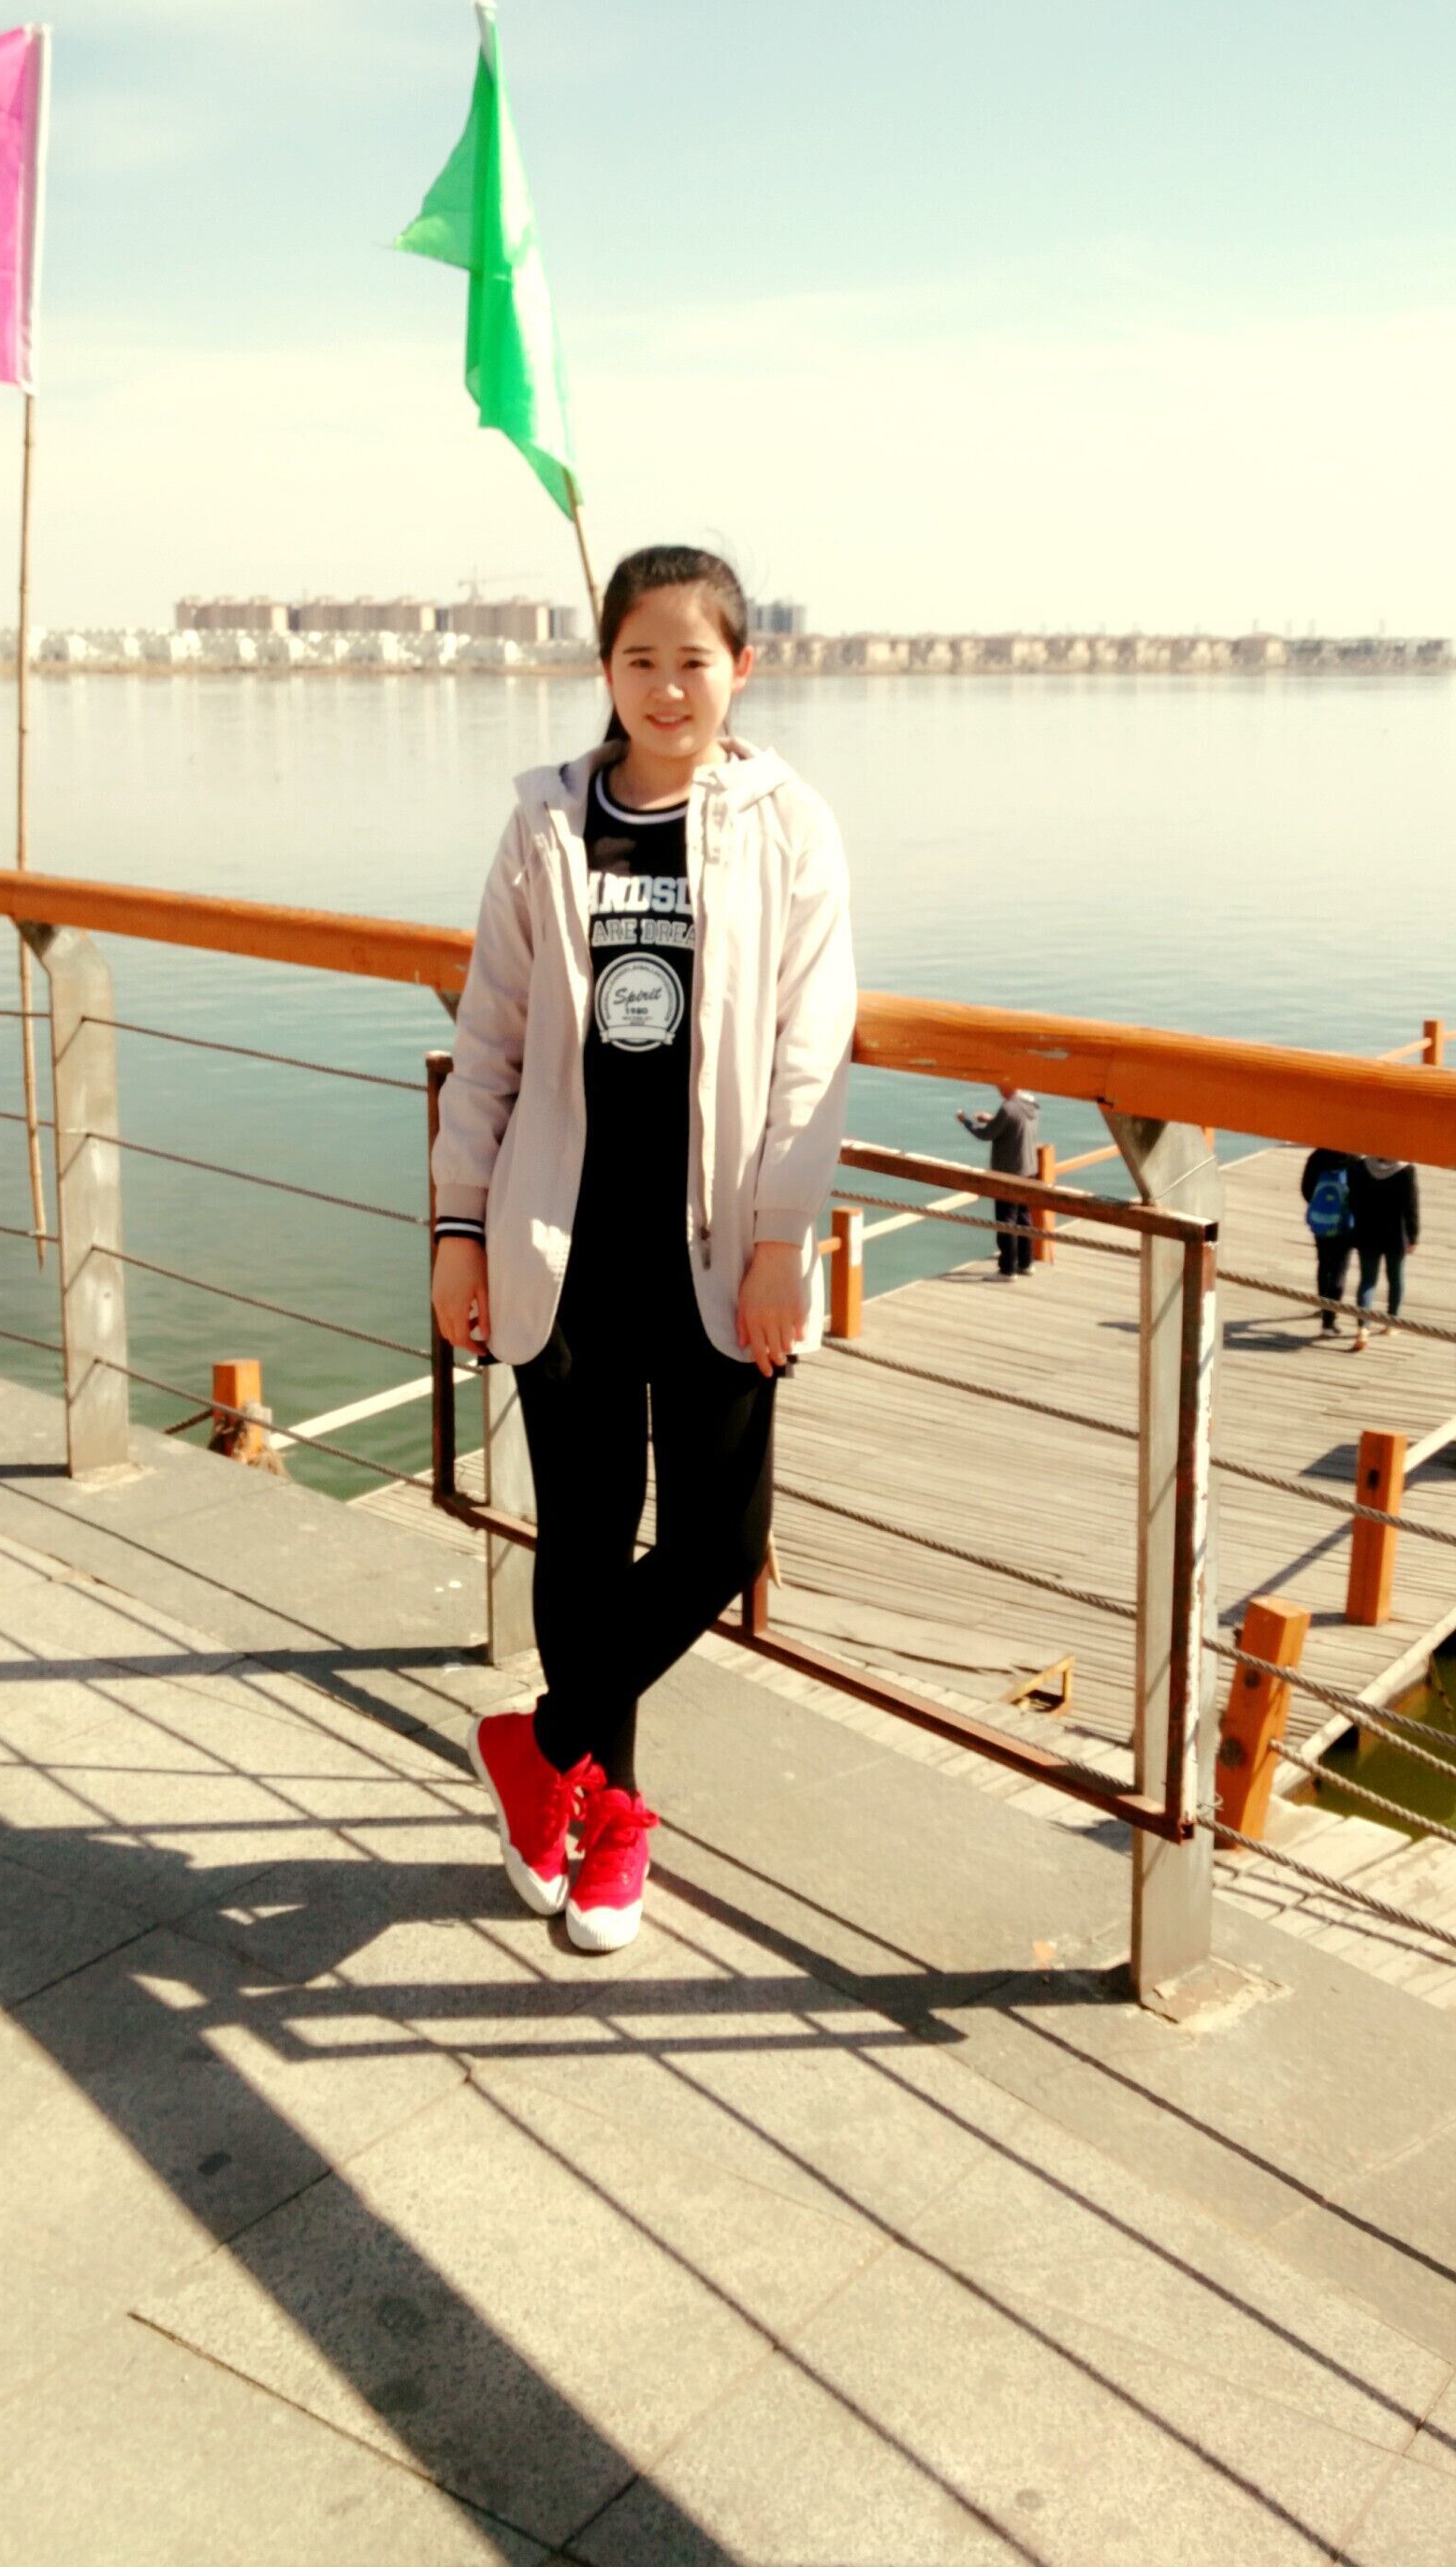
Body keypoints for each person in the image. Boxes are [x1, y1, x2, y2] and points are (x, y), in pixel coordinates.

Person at [431, 546, 856, 1954]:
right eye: (640, 659)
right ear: (604, 667)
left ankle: (537, 1744)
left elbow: (812, 1051)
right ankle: (607, 1824)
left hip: (721, 1248)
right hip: (561, 1240)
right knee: (583, 1536)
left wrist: (786, 1238)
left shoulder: (787, 825)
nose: (668, 687)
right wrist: (457, 1227)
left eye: (695, 659)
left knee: (721, 1540)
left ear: (744, 668)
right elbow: (490, 1038)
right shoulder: (547, 824)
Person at [956, 1083, 1041, 1277]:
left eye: (1000, 1086)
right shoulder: (1031, 1104)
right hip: (1028, 1171)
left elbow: (985, 1135)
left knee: (1006, 1220)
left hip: (1008, 1174)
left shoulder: (1007, 1108)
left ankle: (1007, 1270)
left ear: (1007, 1086)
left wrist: (966, 1122)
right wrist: (992, 1119)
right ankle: (1026, 1263)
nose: (998, 1089)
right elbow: (1015, 1123)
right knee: (1024, 1217)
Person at [1346, 1154, 1420, 1349]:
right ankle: (1391, 1323)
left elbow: (1352, 1199)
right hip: (1395, 1234)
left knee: (1367, 1281)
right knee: (1395, 1278)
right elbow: (1411, 1207)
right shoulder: (1406, 1171)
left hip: (1367, 1231)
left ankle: (1363, 1327)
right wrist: (1413, 1236)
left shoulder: (1361, 1167)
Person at [1300, 1148, 1354, 1335]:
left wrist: (1320, 1205)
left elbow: (1306, 1189)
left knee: (1323, 1263)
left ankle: (1323, 1306)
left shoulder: (1317, 1157)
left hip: (1322, 1220)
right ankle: (1329, 1322)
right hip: (1344, 1224)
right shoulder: (1354, 1161)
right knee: (1339, 1270)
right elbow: (1359, 1194)